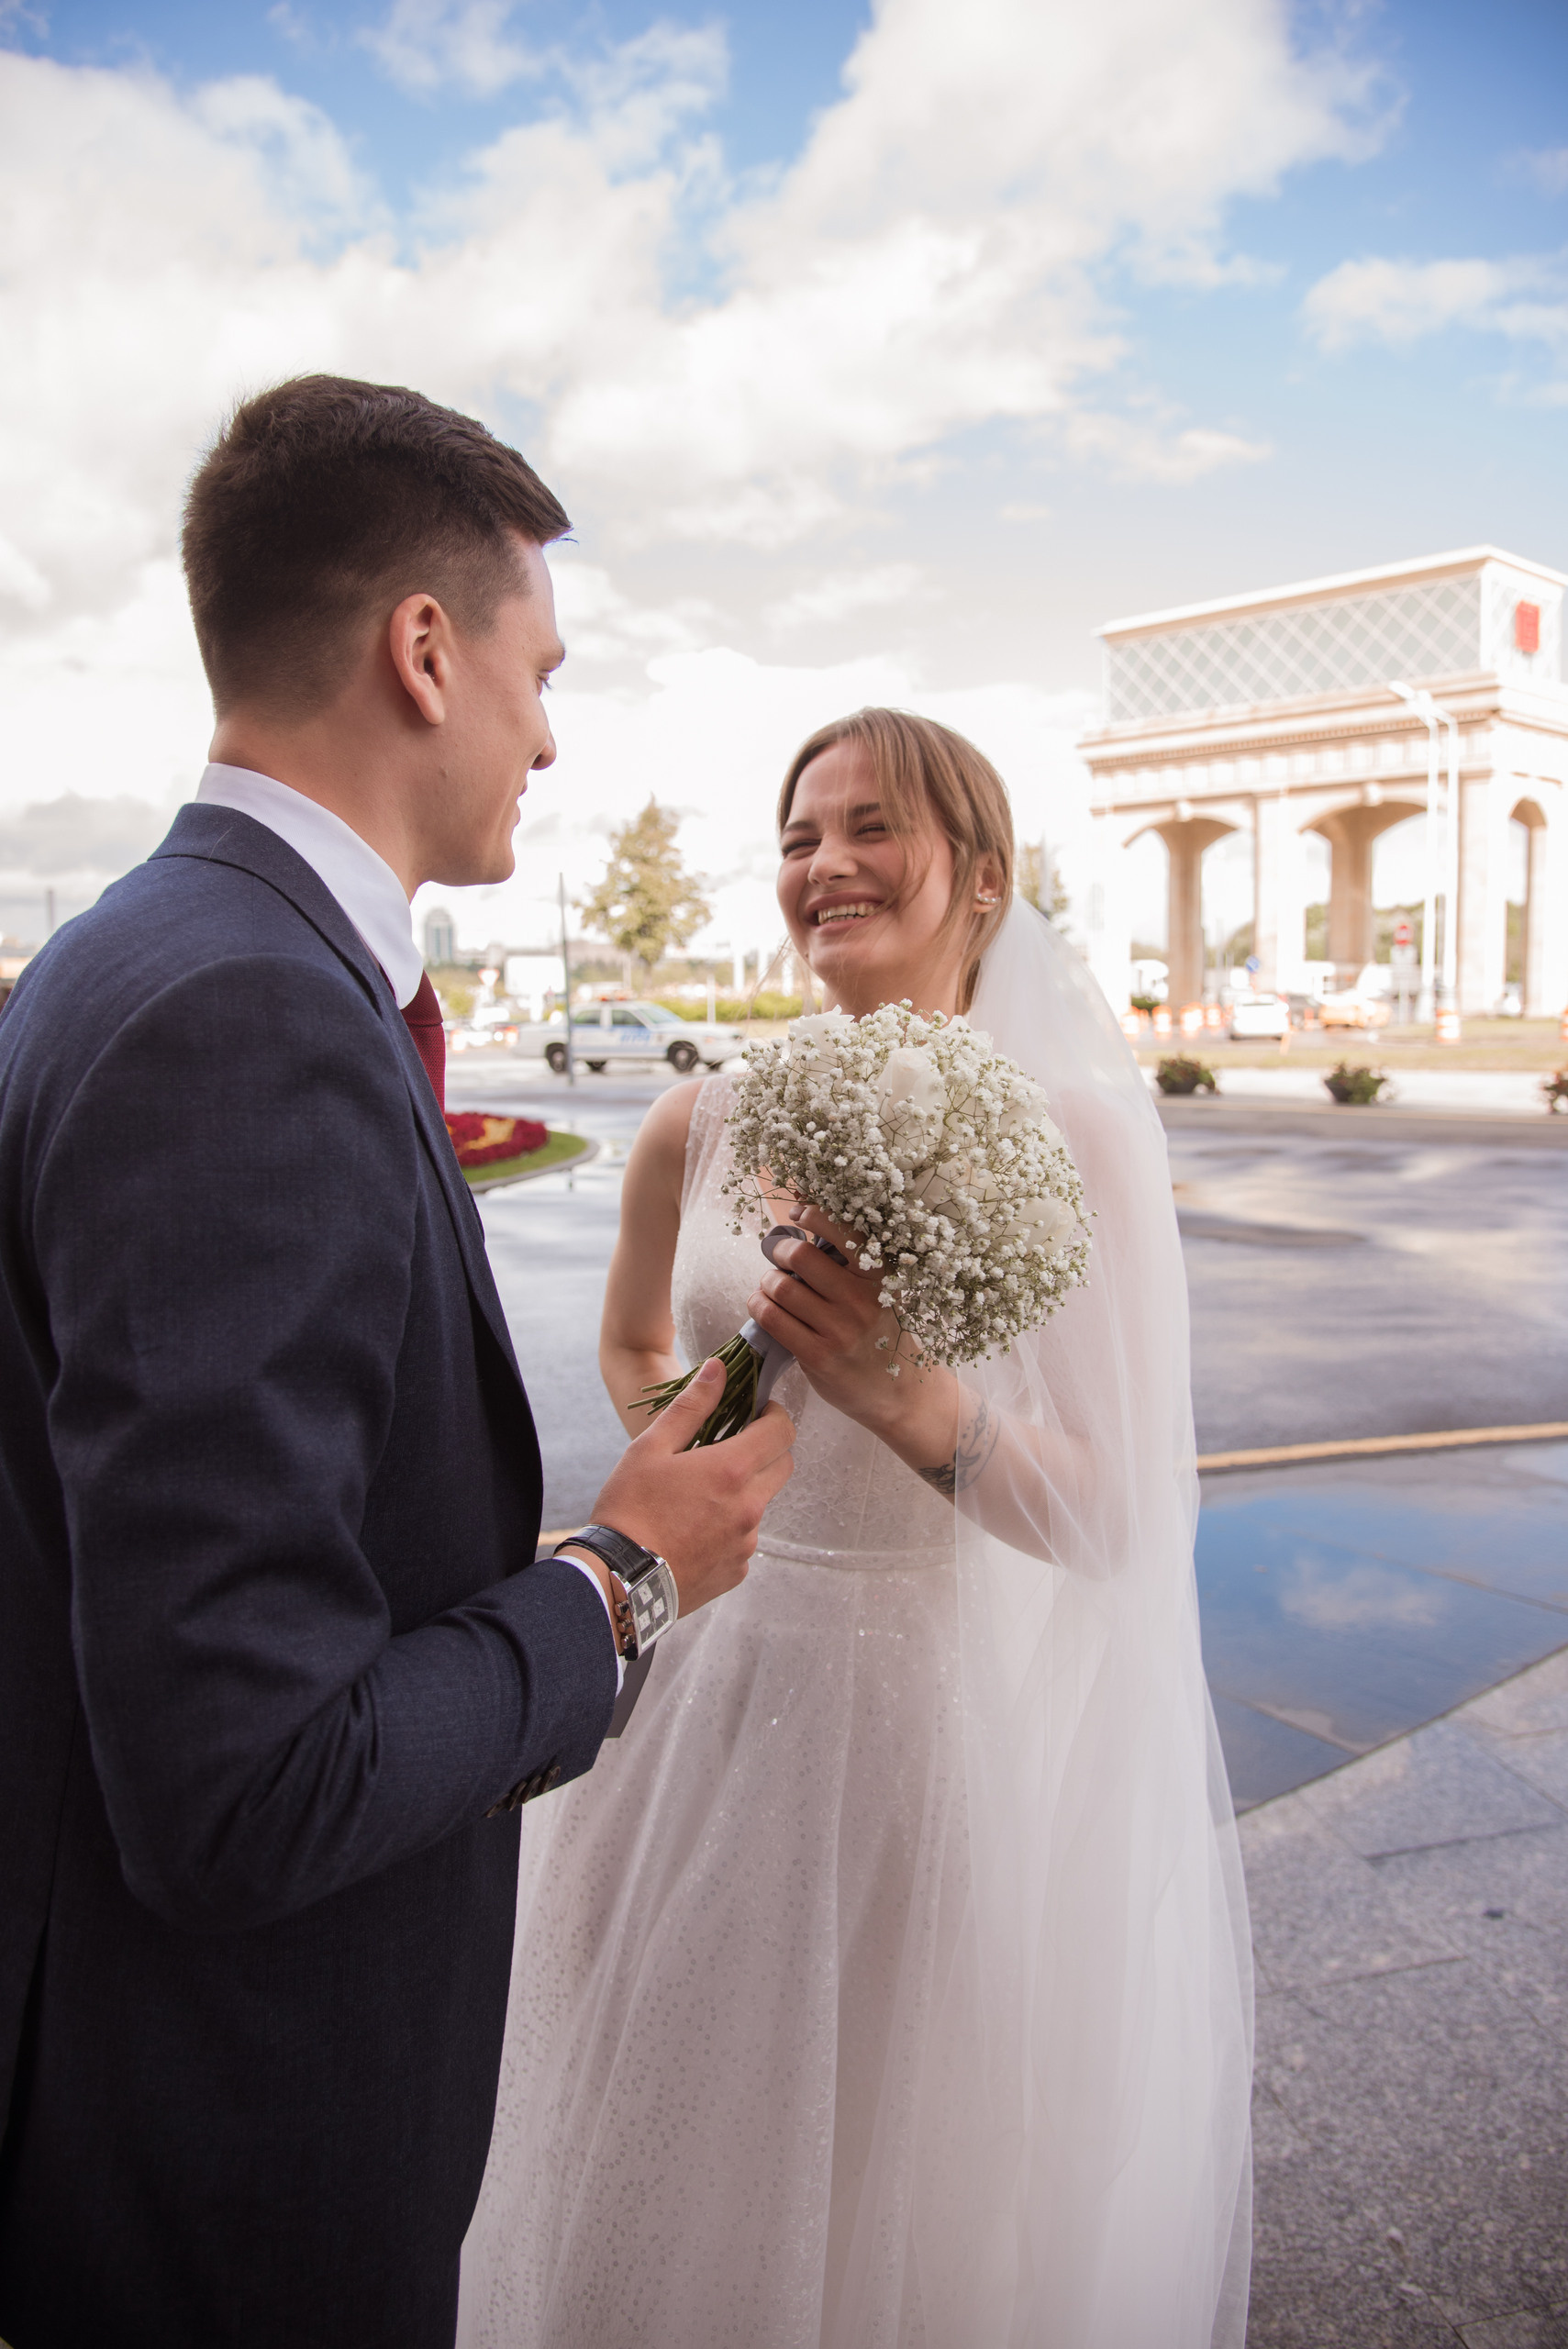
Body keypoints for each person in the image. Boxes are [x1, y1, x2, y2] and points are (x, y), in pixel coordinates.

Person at [0, 374, 794, 2349]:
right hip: (233, 2154)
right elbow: (247, 1783)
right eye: (543, 671)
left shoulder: (131, 953)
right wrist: (621, 1575)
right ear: (425, 653)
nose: (551, 732)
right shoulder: (247, 1017)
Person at [458, 708, 1253, 2348]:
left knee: (869, 2197)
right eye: (798, 835)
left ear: (985, 876)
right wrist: (700, 1443)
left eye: (871, 826)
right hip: (676, 1701)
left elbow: (1119, 1521)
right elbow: (632, 1340)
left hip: (913, 1740)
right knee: (629, 2144)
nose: (824, 863)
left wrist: (913, 1408)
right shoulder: (700, 1117)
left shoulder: (1077, 1141)